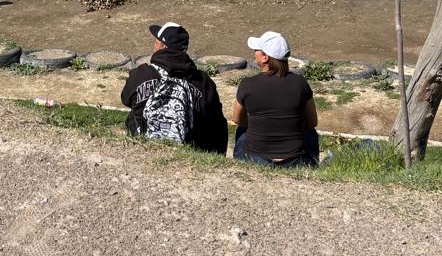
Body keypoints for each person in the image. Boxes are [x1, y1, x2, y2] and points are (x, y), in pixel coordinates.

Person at [119, 22, 227, 155]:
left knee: (133, 116)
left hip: (144, 150)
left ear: (163, 47)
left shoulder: (141, 74)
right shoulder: (203, 82)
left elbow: (125, 99)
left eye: (156, 41)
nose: (154, 44)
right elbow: (218, 124)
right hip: (188, 153)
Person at [232, 30, 319, 167]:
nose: (254, 52)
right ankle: (311, 164)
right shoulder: (300, 83)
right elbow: (312, 122)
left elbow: (237, 119)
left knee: (242, 130)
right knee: (311, 133)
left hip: (257, 157)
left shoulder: (248, 84)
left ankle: (241, 164)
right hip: (295, 158)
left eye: (257, 50)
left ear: (265, 57)